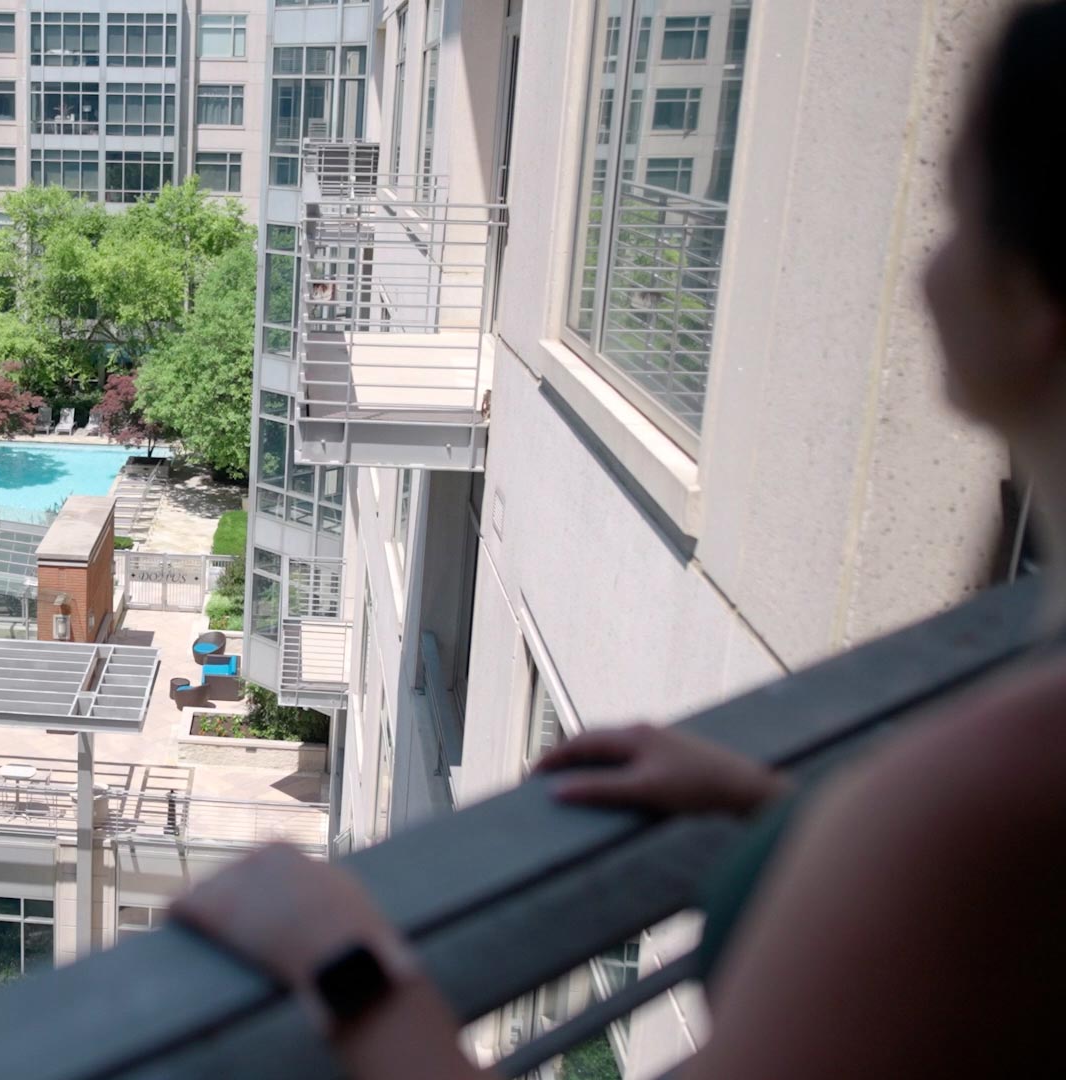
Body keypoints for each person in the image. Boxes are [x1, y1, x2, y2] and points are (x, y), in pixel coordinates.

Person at [171, 4, 1066, 1077]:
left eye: (959, 215)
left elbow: (974, 881)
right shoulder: (988, 790)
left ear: (1034, 306)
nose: (925, 272)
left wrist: (339, 953)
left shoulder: (1000, 782)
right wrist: (784, 817)